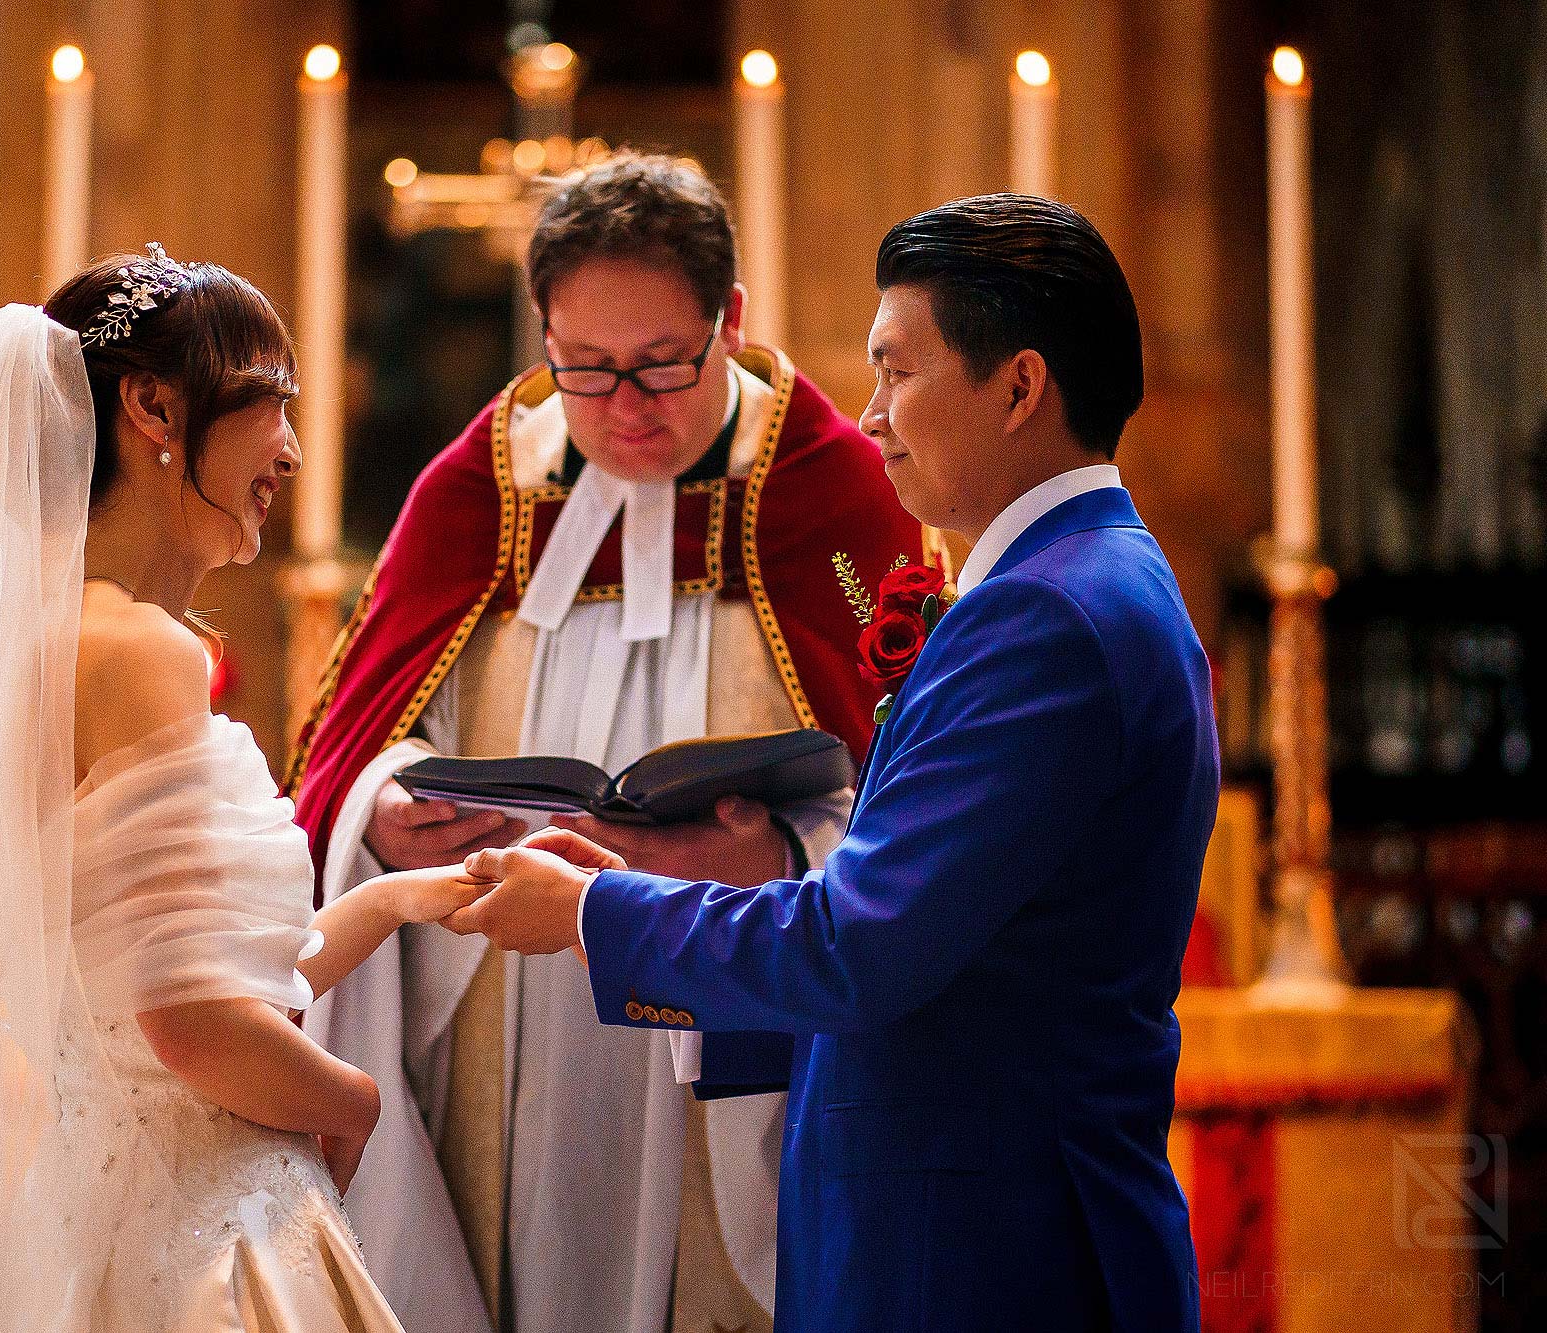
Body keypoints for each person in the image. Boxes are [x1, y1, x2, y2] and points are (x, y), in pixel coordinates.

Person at [448, 195, 1220, 1333]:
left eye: (894, 372)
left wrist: (594, 911)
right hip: (967, 1221)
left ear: (1017, 386)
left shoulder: (1046, 617)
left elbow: (859, 945)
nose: (867, 417)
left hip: (978, 1256)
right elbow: (960, 957)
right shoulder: (1080, 583)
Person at [0, 247, 485, 1333]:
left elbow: (181, 983)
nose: (289, 450)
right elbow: (190, 1028)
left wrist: (400, 896)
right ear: (153, 404)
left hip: (92, 1214)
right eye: (271, 403)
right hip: (201, 1238)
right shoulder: (135, 653)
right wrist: (353, 1100)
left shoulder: (42, 645)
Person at [288, 153, 922, 1333]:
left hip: (724, 994)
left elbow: (917, 782)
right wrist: (382, 807)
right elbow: (356, 741)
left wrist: (783, 851)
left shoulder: (827, 500)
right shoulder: (478, 490)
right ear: (541, 334)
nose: (624, 407)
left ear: (729, 321)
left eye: (662, 367)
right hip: (499, 1005)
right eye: (582, 369)